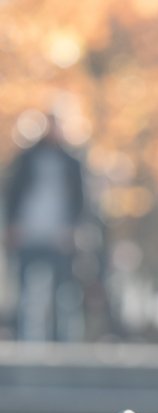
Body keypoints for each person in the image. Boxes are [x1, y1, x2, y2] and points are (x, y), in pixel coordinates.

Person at [3, 112, 85, 340]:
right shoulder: (26, 158)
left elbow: (80, 199)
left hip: (58, 236)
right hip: (29, 233)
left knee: (62, 290)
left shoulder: (71, 162)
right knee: (23, 289)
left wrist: (73, 230)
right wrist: (12, 226)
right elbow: (12, 194)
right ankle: (22, 336)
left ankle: (61, 339)